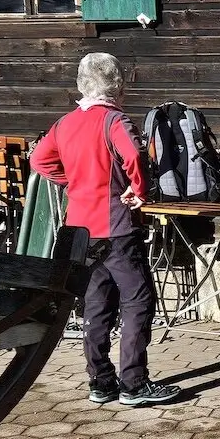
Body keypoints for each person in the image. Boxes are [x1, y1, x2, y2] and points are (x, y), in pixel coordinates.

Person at [30, 53, 180, 406]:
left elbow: (39, 160)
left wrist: (72, 181)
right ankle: (134, 383)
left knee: (96, 303)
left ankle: (100, 380)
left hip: (79, 228)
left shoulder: (65, 123)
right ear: (117, 85)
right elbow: (133, 155)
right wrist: (137, 189)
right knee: (138, 300)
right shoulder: (114, 120)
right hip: (115, 225)